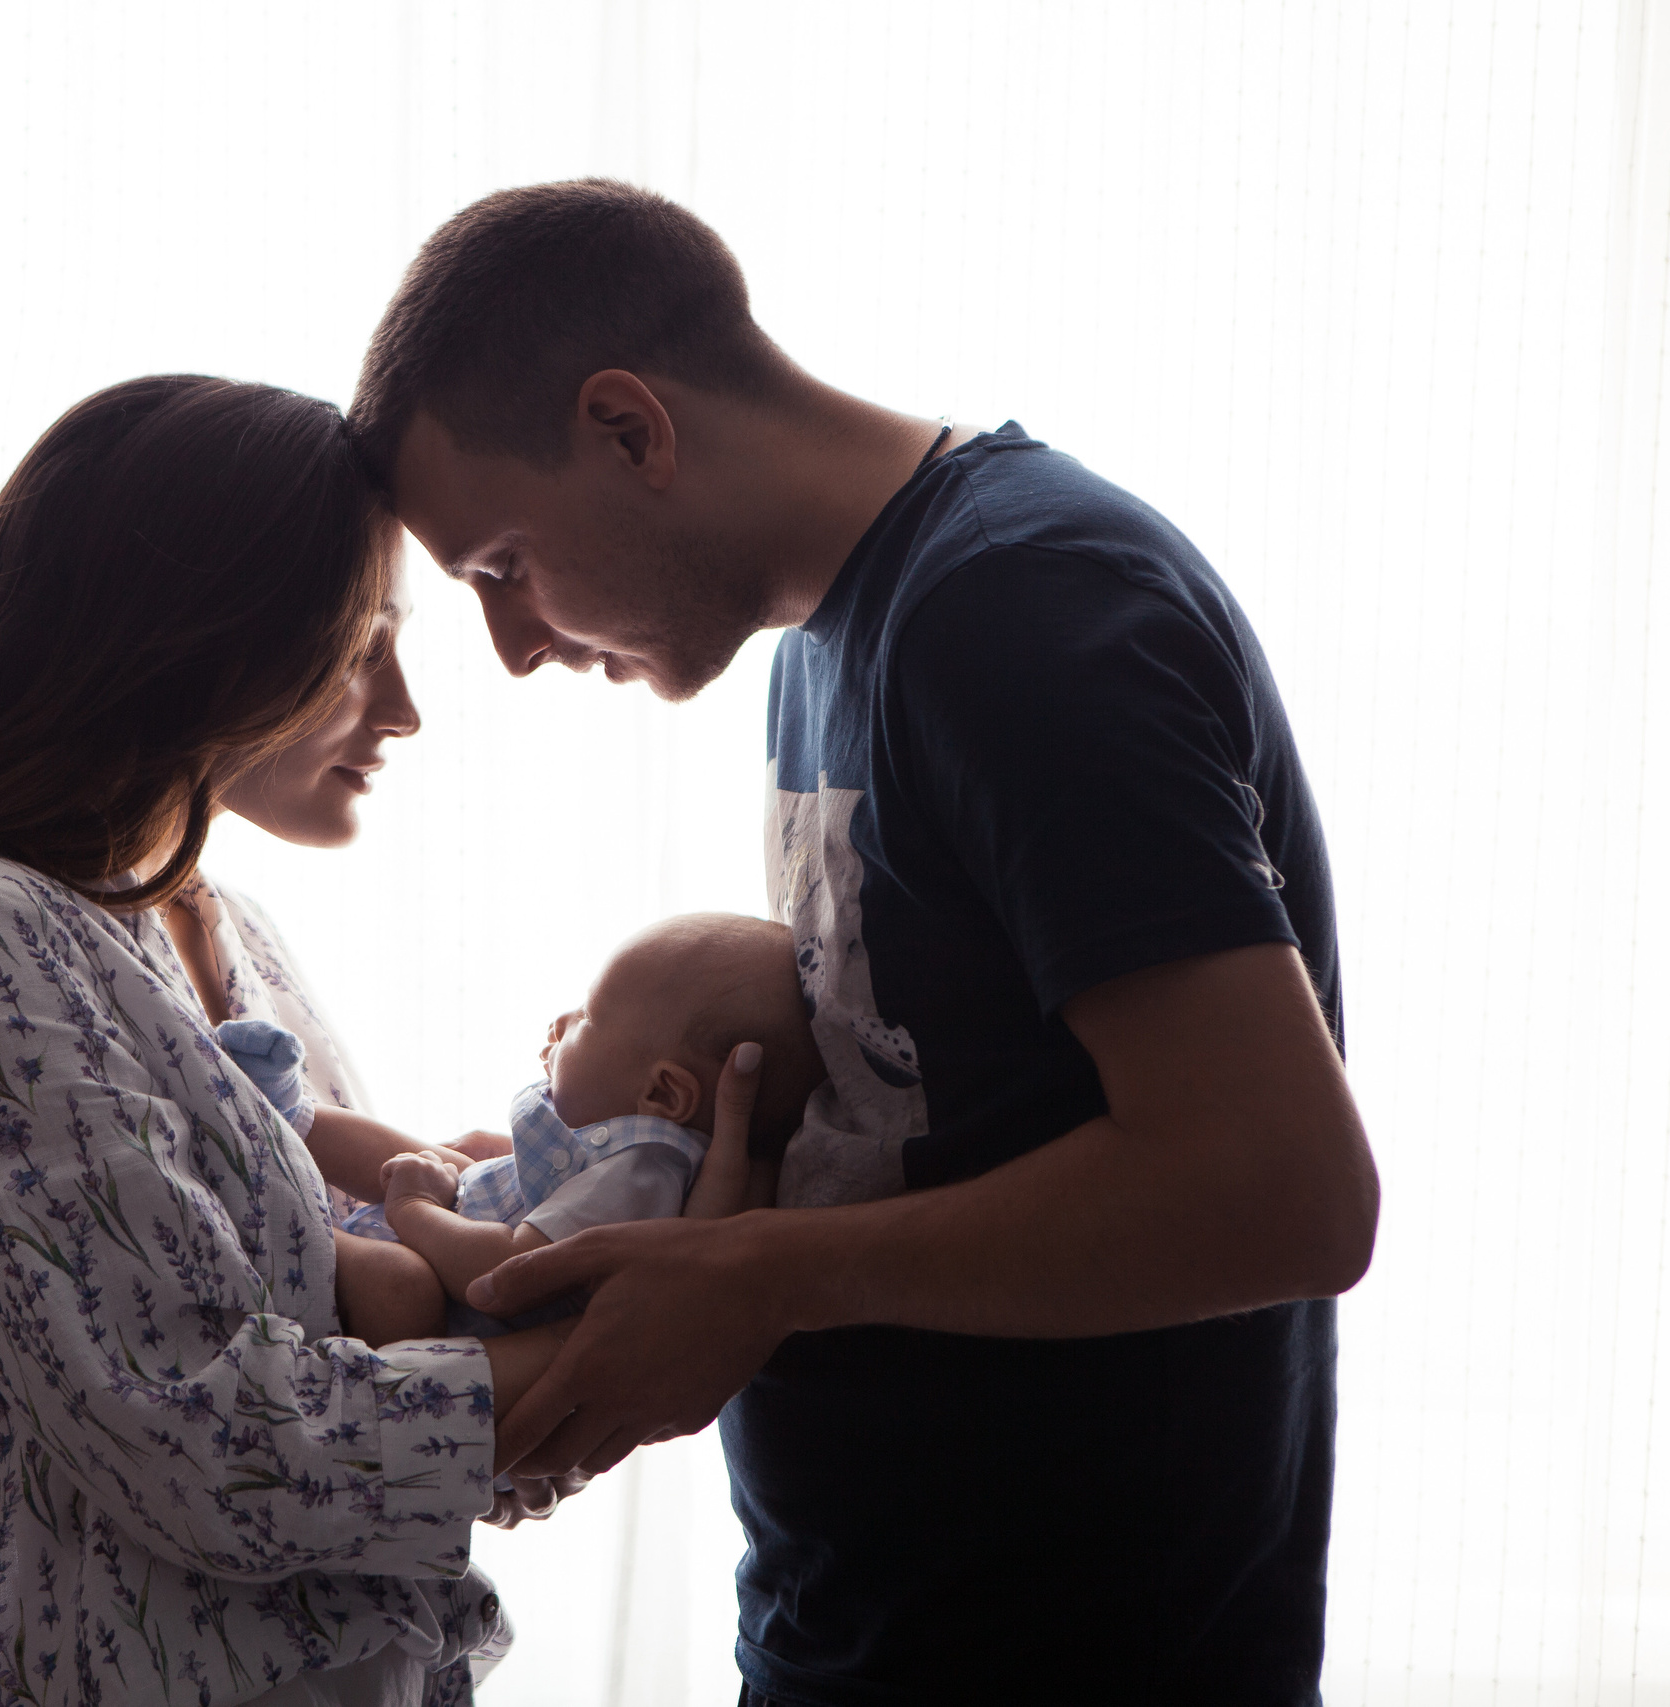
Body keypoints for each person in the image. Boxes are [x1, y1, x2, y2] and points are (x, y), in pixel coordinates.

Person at [347, 181, 1381, 1703]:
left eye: (501, 563)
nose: (510, 646)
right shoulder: (831, 650)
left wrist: (767, 1278)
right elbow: (937, 1120)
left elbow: (1285, 1188)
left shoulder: (1023, 605)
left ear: (631, 427)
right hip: (859, 1630)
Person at [0, 374, 572, 1707]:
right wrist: (584, 1373)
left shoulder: (227, 935)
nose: (405, 705)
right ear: (201, 635)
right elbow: (202, 1436)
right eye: (362, 642)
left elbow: (351, 1337)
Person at [222, 913, 821, 1340]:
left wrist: (412, 1211)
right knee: (447, 1163)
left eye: (589, 1015)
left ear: (663, 1091)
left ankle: (288, 1211)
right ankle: (294, 1117)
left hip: (440, 1307)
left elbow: (506, 1272)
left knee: (400, 1280)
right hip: (460, 1232)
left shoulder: (640, 1174)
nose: (563, 1019)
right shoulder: (640, 1162)